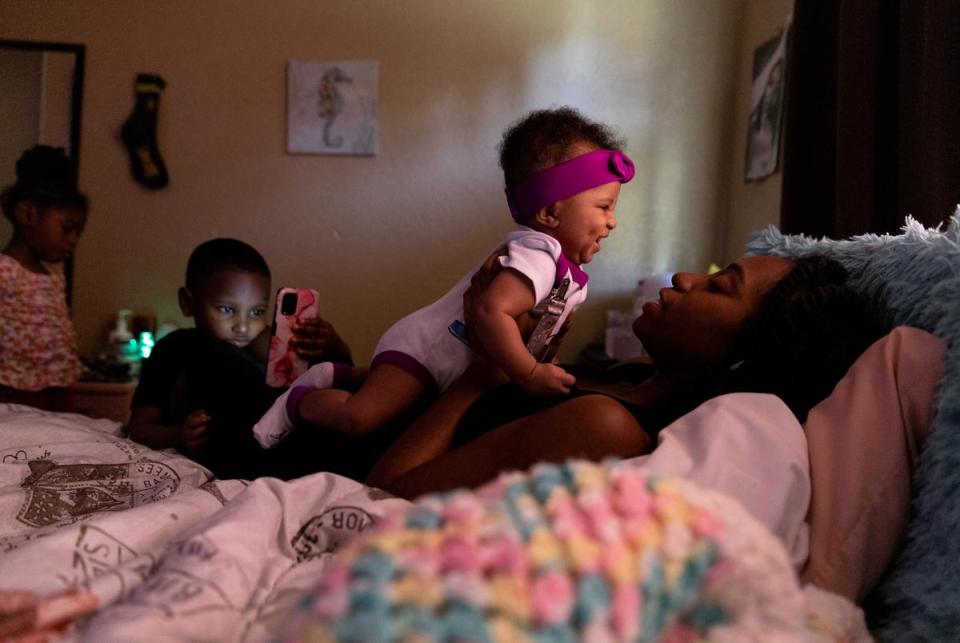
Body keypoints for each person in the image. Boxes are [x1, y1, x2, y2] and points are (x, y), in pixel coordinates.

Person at [253, 106, 635, 449]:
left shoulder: (565, 273)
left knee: (399, 399)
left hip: (444, 365)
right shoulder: (538, 256)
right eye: (603, 207)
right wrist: (530, 373)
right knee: (359, 418)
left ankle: (344, 373)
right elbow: (489, 312)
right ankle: (299, 399)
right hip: (425, 351)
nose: (612, 221)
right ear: (550, 212)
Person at [365, 254, 890, 499]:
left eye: (717, 288)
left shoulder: (607, 427)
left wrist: (485, 373)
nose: (686, 278)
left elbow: (381, 499)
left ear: (743, 361)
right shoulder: (625, 374)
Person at [126, 238, 352, 479]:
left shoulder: (272, 345)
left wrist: (331, 344)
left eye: (256, 312)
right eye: (226, 310)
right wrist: (178, 436)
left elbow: (340, 372)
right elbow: (139, 428)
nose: (242, 327)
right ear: (188, 302)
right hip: (232, 449)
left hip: (292, 440)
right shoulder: (176, 347)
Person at [0, 145, 88, 412]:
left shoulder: (53, 276)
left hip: (55, 397)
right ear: (27, 213)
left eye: (78, 232)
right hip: (11, 395)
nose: (73, 240)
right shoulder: (4, 271)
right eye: (67, 229)